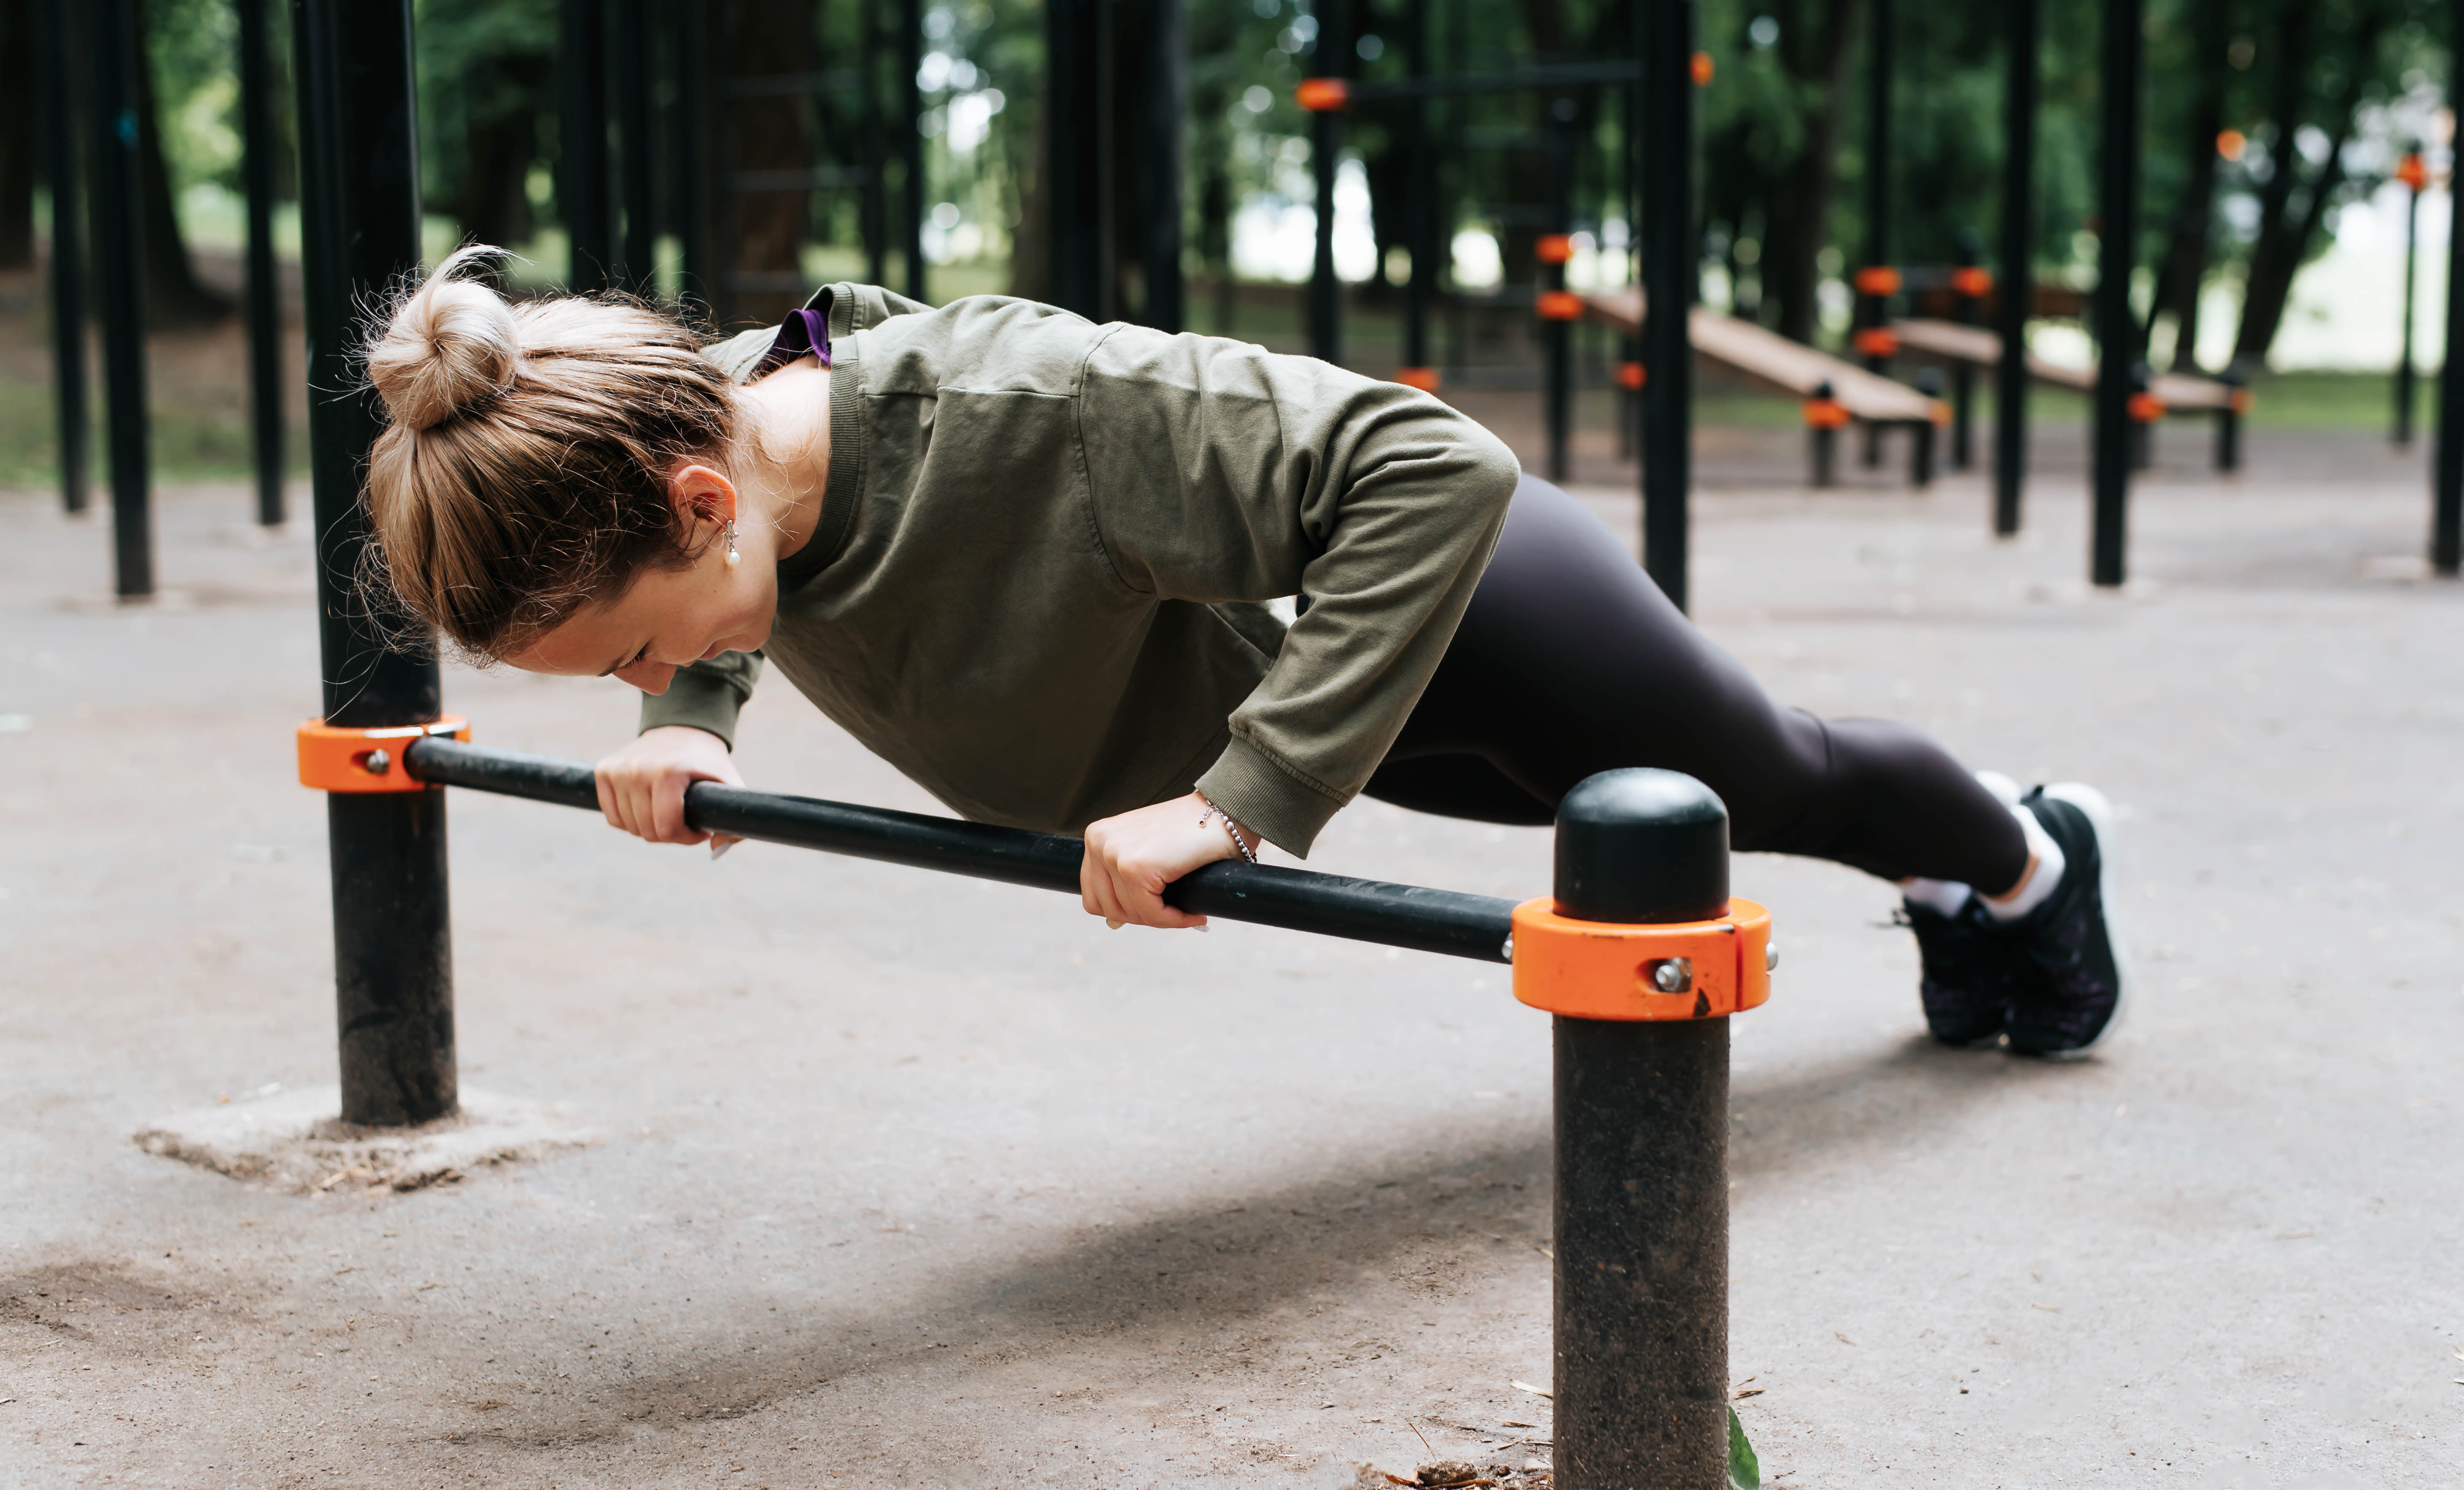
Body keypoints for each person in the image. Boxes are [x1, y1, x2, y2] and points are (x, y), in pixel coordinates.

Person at [361, 250, 2124, 1057]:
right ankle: (1963, 892)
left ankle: (2029, 856)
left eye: (633, 651)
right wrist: (690, 711)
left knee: (1758, 787)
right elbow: (715, 570)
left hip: (1456, 584)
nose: (640, 678)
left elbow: (1433, 466)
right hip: (1278, 666)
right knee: (1556, 808)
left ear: (692, 504)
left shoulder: (1025, 410)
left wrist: (1242, 795)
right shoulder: (726, 429)